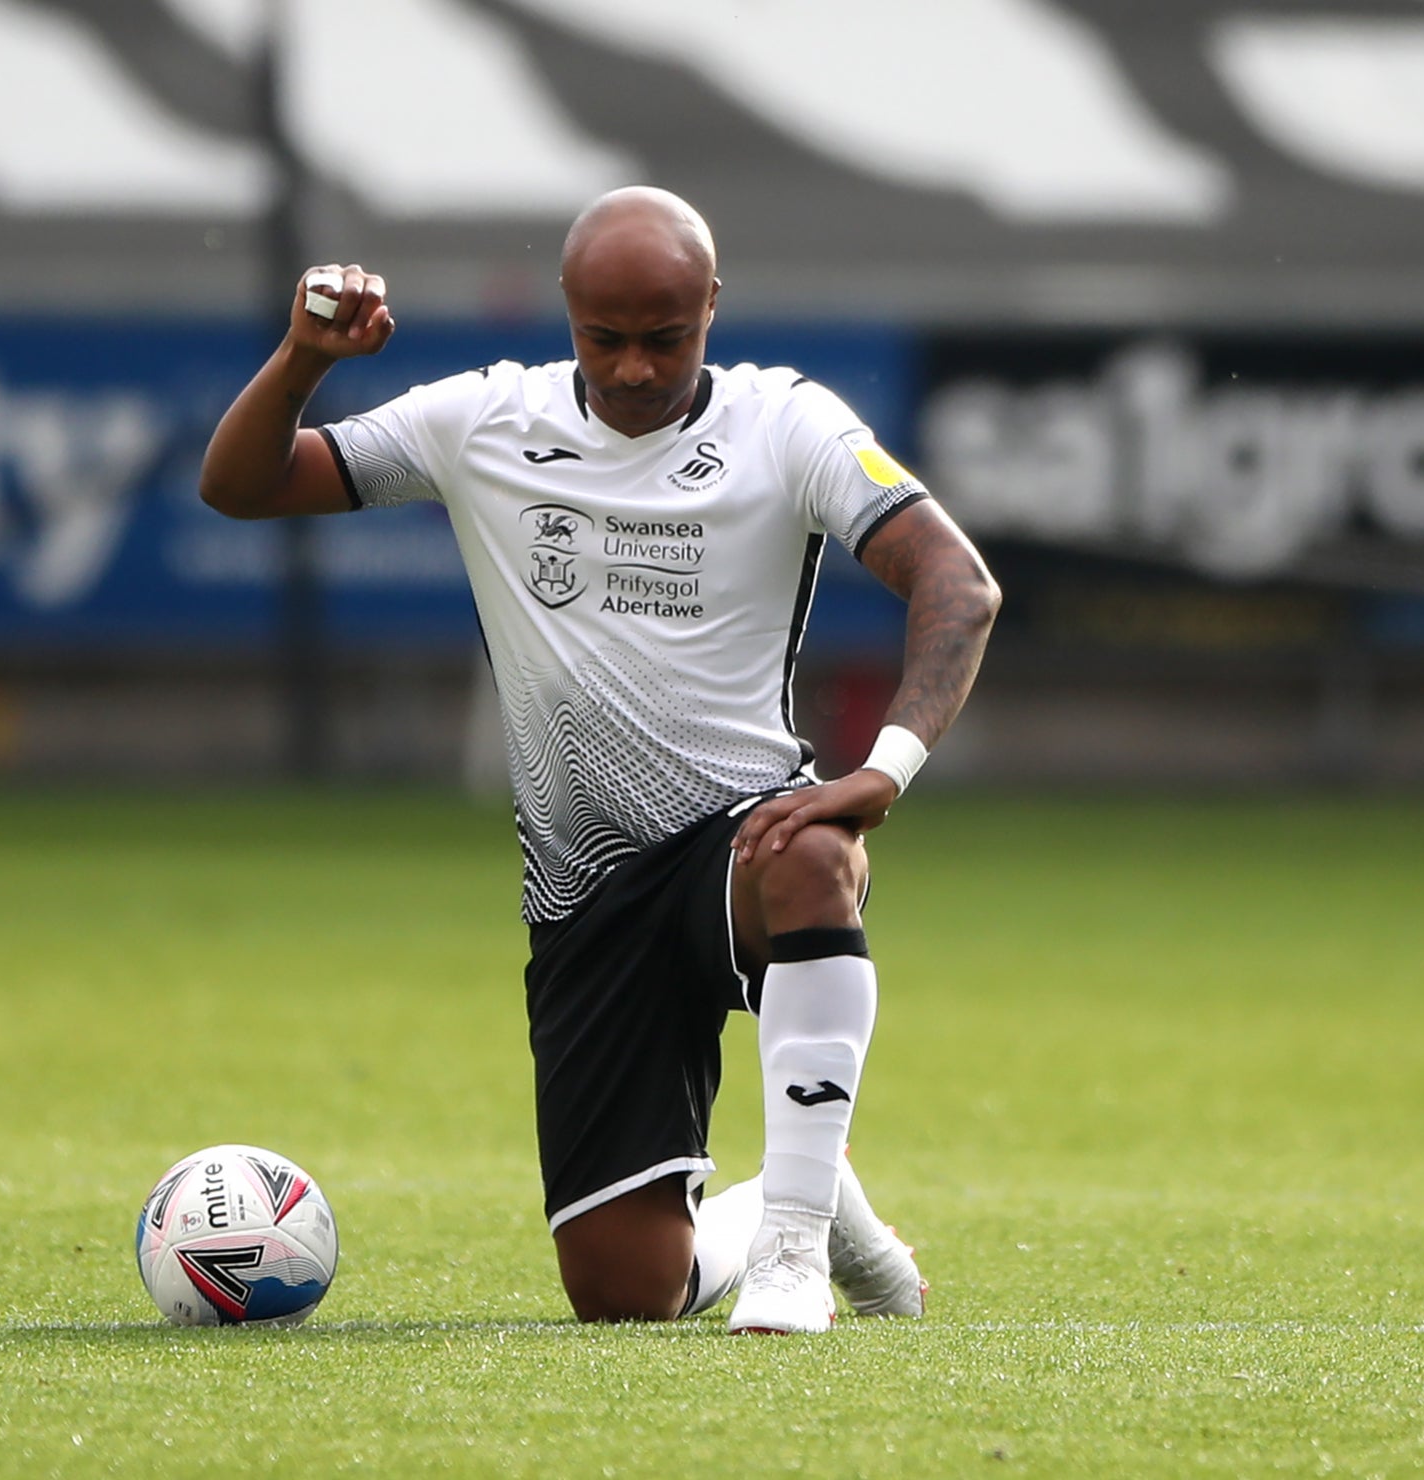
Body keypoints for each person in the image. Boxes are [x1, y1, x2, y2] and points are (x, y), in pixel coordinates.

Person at [200, 187, 1000, 1334]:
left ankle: (790, 1249)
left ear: (713, 308)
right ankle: (814, 1204)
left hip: (739, 839)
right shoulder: (482, 419)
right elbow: (239, 487)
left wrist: (886, 767)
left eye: (665, 338)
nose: (632, 368)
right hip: (582, 898)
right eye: (606, 338)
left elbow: (957, 582)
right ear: (568, 312)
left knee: (813, 853)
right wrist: (299, 359)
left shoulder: (787, 425)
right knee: (625, 1294)